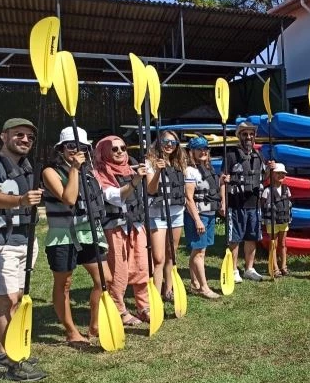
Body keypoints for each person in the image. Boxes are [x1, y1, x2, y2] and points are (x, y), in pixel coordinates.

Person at [0, 118, 47, 382]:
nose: (25, 140)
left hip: (23, 240)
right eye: (19, 135)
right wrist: (20, 200)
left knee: (16, 299)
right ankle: (13, 364)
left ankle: (6, 352)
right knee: (7, 301)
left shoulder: (28, 168)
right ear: (3, 136)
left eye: (29, 137)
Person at [41, 126, 108, 347]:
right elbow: (69, 198)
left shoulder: (90, 172)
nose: (76, 150)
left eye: (81, 147)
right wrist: (75, 170)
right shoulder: (50, 172)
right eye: (71, 146)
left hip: (89, 233)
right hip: (63, 235)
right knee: (65, 283)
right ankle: (71, 331)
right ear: (61, 149)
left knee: (104, 279)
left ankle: (95, 324)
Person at [93, 135, 151, 325]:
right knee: (118, 270)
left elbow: (150, 191)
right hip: (115, 227)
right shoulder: (99, 173)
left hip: (135, 224)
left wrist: (154, 172)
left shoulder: (132, 168)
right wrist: (135, 180)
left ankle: (144, 306)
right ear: (104, 151)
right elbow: (116, 197)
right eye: (114, 149)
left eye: (123, 148)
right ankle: (120, 310)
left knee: (142, 265)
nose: (119, 152)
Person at [220, 121, 267, 282]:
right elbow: (223, 180)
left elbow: (263, 177)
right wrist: (223, 203)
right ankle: (233, 270)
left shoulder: (258, 155)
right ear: (239, 136)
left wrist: (271, 169)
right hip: (236, 202)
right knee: (235, 238)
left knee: (251, 236)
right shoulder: (231, 155)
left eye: (251, 134)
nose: (249, 137)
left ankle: (249, 268)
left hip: (254, 203)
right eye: (245, 134)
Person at [146, 130, 187, 300]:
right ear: (159, 142)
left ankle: (168, 290)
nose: (169, 145)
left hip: (176, 213)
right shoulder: (150, 162)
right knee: (158, 257)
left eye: (173, 142)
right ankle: (155, 296)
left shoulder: (179, 163)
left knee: (171, 254)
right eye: (165, 141)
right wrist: (158, 171)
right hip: (158, 214)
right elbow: (151, 189)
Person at [183, 136, 221, 298]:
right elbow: (188, 198)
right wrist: (197, 220)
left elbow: (210, 190)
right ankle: (204, 288)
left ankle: (194, 282)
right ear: (191, 152)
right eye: (199, 149)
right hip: (199, 216)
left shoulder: (208, 168)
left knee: (198, 250)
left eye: (205, 148)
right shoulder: (190, 171)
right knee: (199, 252)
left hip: (210, 214)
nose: (203, 151)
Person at [261, 162, 293, 277]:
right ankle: (275, 267)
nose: (281, 176)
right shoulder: (267, 190)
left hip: (284, 221)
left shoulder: (286, 189)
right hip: (272, 222)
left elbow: (288, 203)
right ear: (272, 174)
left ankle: (284, 266)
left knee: (283, 243)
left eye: (283, 174)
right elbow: (263, 205)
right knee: (273, 244)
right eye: (278, 173)